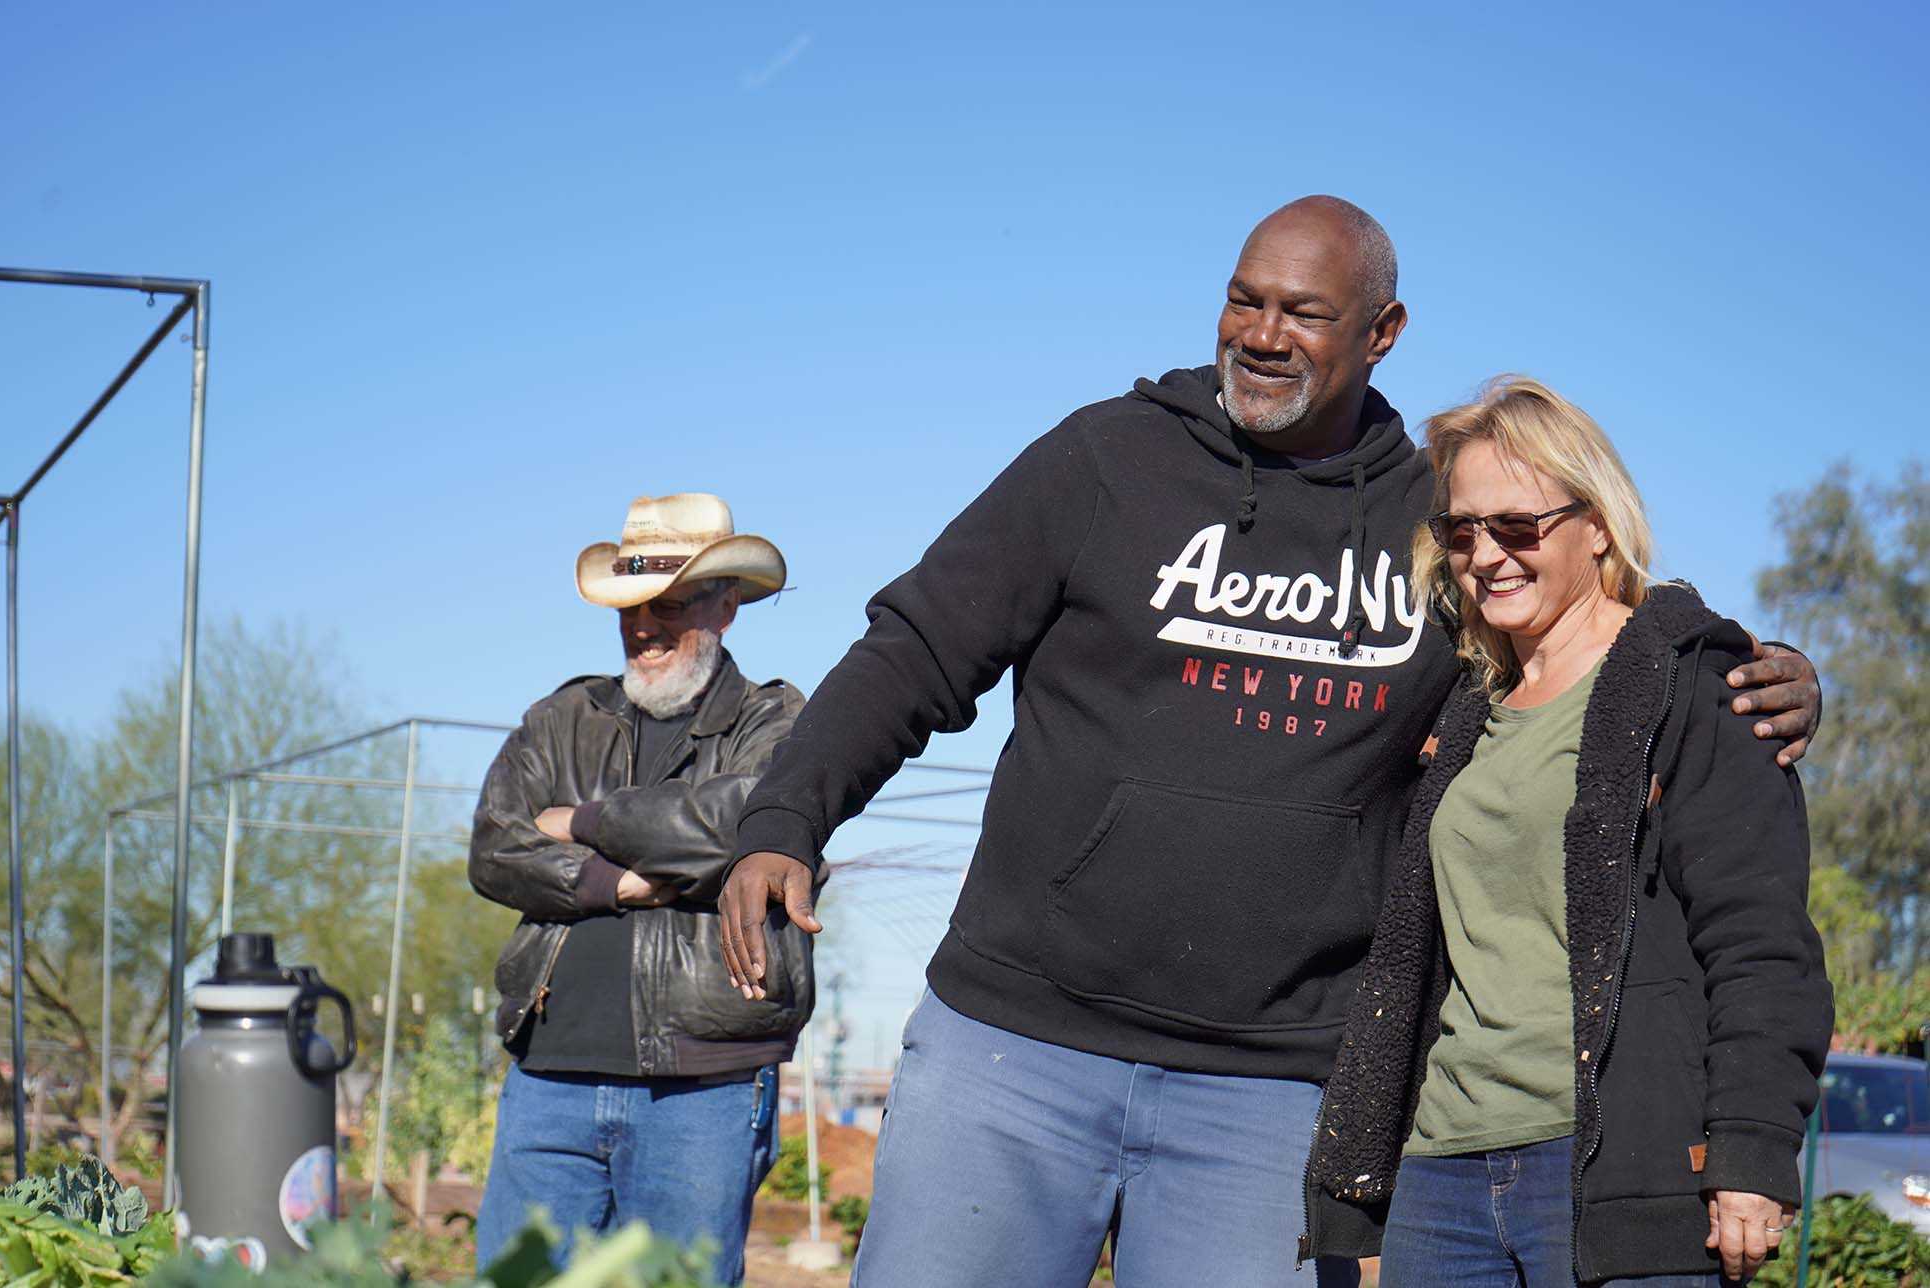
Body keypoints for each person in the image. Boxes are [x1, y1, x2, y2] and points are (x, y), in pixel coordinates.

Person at [717, 198, 1822, 1287]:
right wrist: (786, 817)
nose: (1261, 334)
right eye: (1244, 302)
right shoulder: (1105, 460)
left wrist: (1742, 670)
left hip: (1272, 1094)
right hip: (1016, 1048)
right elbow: (915, 648)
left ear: (1382, 334)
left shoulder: (1434, 519)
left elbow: (1585, 632)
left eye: (1304, 312)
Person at [1304, 378, 1832, 1286]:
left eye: (1517, 526)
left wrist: (1751, 1148)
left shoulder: (1696, 691)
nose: (1486, 555)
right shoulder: (1465, 707)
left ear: (1596, 523)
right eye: (1463, 531)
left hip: (1614, 1167)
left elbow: (1760, 939)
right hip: (1443, 1168)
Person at [468, 493, 810, 1283]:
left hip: (704, 1089)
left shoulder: (777, 721)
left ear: (728, 606)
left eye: (670, 603)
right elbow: (493, 847)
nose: (643, 626)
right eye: (630, 607)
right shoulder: (561, 718)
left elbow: (737, 827)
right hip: (547, 1077)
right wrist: (617, 882)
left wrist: (578, 818)